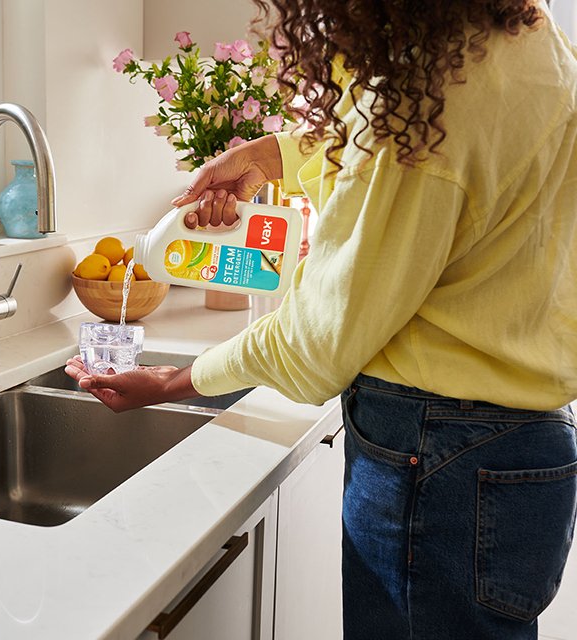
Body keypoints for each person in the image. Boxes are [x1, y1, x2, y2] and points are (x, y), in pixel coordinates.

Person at [65, 0, 577, 638]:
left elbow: (318, 343)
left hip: (435, 461)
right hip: (524, 451)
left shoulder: (427, 97)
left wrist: (176, 382)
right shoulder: (528, 39)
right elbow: (441, 161)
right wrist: (274, 154)